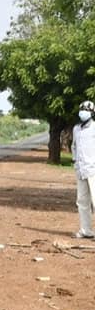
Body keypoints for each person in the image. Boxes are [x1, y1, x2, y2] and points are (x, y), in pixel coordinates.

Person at [72, 100, 95, 239]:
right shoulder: (76, 129)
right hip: (81, 169)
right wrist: (75, 161)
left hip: (93, 169)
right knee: (82, 201)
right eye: (81, 109)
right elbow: (74, 146)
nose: (83, 112)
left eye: (86, 110)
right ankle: (86, 230)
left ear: (92, 112)